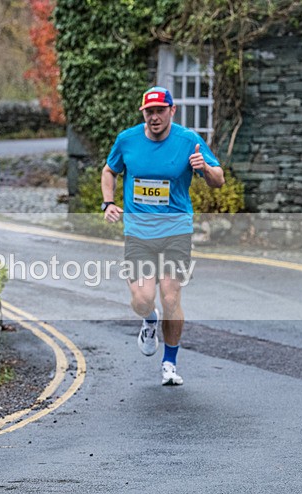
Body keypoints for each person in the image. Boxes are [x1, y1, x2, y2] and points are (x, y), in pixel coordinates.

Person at [101, 86, 224, 386]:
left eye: (160, 110)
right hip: (139, 233)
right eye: (149, 112)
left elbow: (218, 180)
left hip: (176, 232)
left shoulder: (188, 141)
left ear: (172, 111)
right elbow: (109, 170)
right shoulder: (127, 140)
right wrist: (108, 202)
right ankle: (149, 319)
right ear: (143, 113)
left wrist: (204, 167)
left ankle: (169, 361)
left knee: (171, 296)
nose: (155, 117)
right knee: (142, 299)